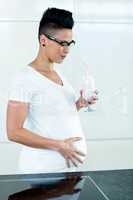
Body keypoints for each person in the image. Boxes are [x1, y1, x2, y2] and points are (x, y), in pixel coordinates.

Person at [6, 8, 96, 173]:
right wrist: (59, 146)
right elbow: (13, 132)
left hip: (67, 173)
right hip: (42, 173)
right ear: (43, 40)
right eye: (62, 43)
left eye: (69, 44)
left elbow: (55, 113)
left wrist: (80, 104)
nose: (67, 50)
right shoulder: (25, 79)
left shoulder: (58, 74)